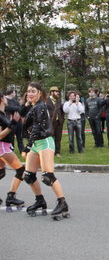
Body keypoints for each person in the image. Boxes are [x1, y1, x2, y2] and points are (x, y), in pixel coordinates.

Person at [21, 82, 70, 220]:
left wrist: (28, 146)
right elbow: (21, 117)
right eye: (28, 91)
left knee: (48, 176)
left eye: (33, 91)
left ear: (39, 93)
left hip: (44, 142)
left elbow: (37, 127)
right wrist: (24, 105)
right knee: (28, 175)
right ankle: (40, 200)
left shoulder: (41, 106)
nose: (30, 94)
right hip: (36, 142)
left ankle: (62, 203)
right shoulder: (33, 106)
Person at [0, 92, 26, 211]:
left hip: (5, 146)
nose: (7, 99)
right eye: (5, 97)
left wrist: (13, 123)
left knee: (1, 172)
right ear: (2, 99)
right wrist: (12, 125)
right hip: (2, 147)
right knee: (21, 170)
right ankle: (11, 196)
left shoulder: (3, 113)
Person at [46, 86, 64, 157]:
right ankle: (50, 151)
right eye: (55, 92)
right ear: (51, 92)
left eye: (57, 92)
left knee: (58, 137)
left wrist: (62, 119)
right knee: (50, 137)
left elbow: (62, 111)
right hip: (50, 122)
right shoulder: (46, 101)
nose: (57, 93)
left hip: (58, 122)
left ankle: (57, 152)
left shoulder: (59, 100)